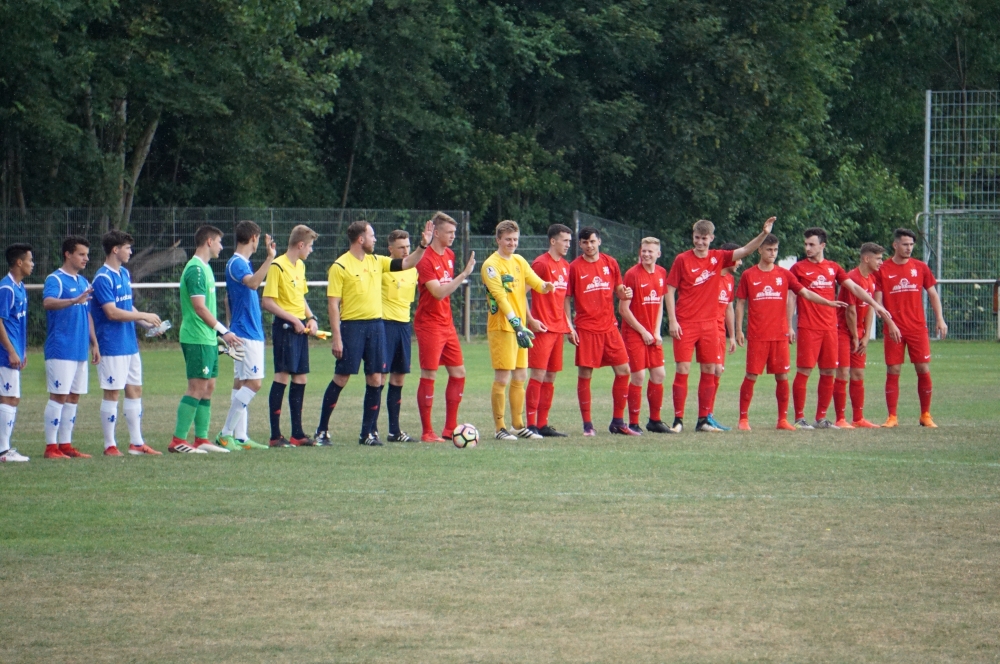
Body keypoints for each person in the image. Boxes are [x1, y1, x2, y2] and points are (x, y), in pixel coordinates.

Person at [314, 220, 430, 446]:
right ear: (360, 239)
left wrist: (423, 246)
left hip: (376, 326)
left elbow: (407, 263)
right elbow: (333, 304)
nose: (375, 239)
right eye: (372, 235)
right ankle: (321, 430)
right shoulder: (340, 266)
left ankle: (367, 433)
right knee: (342, 377)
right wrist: (336, 337)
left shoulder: (377, 261)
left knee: (376, 378)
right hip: (352, 327)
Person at [665, 217, 775, 433]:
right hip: (686, 323)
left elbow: (744, 251)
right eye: (697, 238)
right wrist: (673, 320)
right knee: (683, 369)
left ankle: (703, 419)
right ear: (693, 237)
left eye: (704, 238)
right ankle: (678, 420)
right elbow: (669, 289)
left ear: (711, 239)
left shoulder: (718, 258)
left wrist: (763, 234)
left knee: (709, 370)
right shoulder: (682, 259)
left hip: (709, 326)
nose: (700, 242)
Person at [734, 234, 846, 430]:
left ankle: (782, 420)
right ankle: (743, 419)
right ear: (759, 250)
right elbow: (740, 303)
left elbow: (804, 292)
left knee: (782, 377)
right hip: (758, 335)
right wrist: (738, 330)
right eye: (769, 250)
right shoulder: (748, 275)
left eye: (775, 250)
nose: (772, 254)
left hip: (779, 335)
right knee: (751, 375)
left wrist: (827, 302)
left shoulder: (784, 274)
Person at [789, 227, 890, 430]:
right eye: (806, 244)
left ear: (822, 246)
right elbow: (791, 297)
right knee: (804, 371)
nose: (807, 248)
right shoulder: (798, 269)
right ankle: (800, 418)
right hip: (808, 327)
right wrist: (788, 324)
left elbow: (854, 287)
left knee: (828, 372)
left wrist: (876, 304)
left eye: (811, 244)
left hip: (830, 328)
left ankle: (821, 418)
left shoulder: (833, 268)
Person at [169, 225, 242, 454]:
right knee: (197, 387)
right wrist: (224, 332)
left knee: (209, 387)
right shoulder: (196, 270)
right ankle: (178, 440)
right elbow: (199, 308)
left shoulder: (206, 269)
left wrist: (216, 338)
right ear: (209, 241)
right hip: (196, 337)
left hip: (207, 339)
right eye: (220, 242)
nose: (222, 246)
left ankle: (201, 438)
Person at [91, 230, 164, 456]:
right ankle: (109, 445)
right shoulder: (102, 278)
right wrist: (143, 314)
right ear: (115, 249)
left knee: (135, 390)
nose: (131, 251)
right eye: (127, 247)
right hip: (111, 345)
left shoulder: (123, 273)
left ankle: (136, 443)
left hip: (129, 344)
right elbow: (112, 313)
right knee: (112, 393)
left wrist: (145, 323)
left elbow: (126, 306)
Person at [481, 220, 553, 440]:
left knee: (521, 375)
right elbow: (501, 298)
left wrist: (546, 286)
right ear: (498, 240)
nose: (512, 243)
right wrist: (516, 324)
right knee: (503, 377)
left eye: (515, 239)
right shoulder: (491, 265)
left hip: (520, 328)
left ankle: (518, 425)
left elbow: (536, 282)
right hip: (502, 327)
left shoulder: (519, 261)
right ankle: (500, 429)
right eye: (508, 239)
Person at [873, 228, 947, 428]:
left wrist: (940, 319)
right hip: (893, 328)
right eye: (905, 244)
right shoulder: (883, 269)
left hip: (917, 328)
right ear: (895, 245)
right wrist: (889, 323)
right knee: (893, 369)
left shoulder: (920, 267)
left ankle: (925, 415)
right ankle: (892, 417)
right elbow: (877, 303)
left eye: (911, 245)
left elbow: (932, 294)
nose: (909, 248)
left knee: (923, 368)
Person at [564, 227, 634, 436]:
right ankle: (588, 425)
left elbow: (619, 290)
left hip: (610, 328)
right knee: (585, 374)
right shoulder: (574, 267)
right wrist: (569, 326)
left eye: (592, 242)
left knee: (624, 371)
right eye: (585, 243)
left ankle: (618, 422)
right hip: (586, 329)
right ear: (580, 245)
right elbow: (566, 299)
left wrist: (625, 293)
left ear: (599, 241)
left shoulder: (610, 263)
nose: (589, 246)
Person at [414, 212, 476, 443]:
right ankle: (427, 432)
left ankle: (451, 429)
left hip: (446, 324)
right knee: (429, 374)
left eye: (454, 232)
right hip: (429, 324)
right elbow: (438, 292)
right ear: (436, 233)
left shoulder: (449, 255)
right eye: (449, 232)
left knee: (459, 373)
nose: (453, 237)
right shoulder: (425, 258)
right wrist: (464, 275)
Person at [215, 220, 276, 451]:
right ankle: (225, 433)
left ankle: (240, 437)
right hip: (246, 333)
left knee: (241, 382)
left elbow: (228, 299)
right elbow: (252, 284)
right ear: (253, 238)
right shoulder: (238, 263)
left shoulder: (243, 264)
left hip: (246, 331)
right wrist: (270, 258)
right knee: (255, 383)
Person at [42, 236, 100, 459]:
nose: (86, 258)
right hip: (61, 348)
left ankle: (65, 445)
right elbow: (47, 302)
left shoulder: (84, 282)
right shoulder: (55, 279)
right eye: (81, 254)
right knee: (58, 396)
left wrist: (94, 343)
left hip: (79, 349)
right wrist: (72, 300)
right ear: (68, 254)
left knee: (74, 397)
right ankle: (51, 447)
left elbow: (88, 314)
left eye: (87, 254)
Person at [262, 224, 320, 447]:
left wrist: (311, 317)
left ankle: (297, 433)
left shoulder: (300, 267)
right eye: (310, 246)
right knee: (282, 377)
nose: (311, 251)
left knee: (301, 378)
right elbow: (267, 302)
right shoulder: (278, 266)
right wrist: (293, 319)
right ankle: (275, 436)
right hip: (286, 329)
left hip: (299, 330)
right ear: (301, 244)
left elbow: (300, 298)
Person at [526, 224, 573, 437]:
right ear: (553, 241)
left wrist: (569, 326)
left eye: (569, 241)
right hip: (542, 328)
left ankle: (543, 424)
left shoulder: (565, 266)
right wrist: (531, 319)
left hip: (558, 329)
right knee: (538, 374)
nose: (568, 245)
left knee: (551, 377)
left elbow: (563, 300)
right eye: (564, 240)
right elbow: (521, 292)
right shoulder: (541, 264)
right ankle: (530, 424)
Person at [618, 238, 669, 434]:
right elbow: (623, 309)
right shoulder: (632, 275)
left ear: (658, 254)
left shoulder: (662, 273)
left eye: (650, 251)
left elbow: (660, 303)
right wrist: (644, 332)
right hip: (634, 333)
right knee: (638, 376)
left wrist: (656, 331)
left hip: (651, 334)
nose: (646, 254)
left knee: (659, 374)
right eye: (644, 251)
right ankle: (633, 423)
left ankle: (655, 421)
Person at [832, 242, 884, 429]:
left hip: (858, 333)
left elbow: (869, 307)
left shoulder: (871, 278)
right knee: (843, 372)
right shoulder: (852, 278)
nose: (881, 262)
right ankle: (840, 418)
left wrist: (865, 335)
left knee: (858, 373)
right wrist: (855, 336)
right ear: (866, 258)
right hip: (843, 332)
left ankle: (858, 418)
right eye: (878, 258)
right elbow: (850, 311)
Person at [380, 229, 421, 442]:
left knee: (398, 378)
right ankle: (371, 429)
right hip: (384, 326)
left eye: (408, 246)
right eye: (401, 247)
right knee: (379, 377)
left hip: (404, 327)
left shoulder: (413, 270)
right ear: (391, 249)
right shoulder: (383, 268)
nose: (406, 251)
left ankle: (394, 431)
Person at [0, 244, 33, 462]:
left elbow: (18, 324)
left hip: (14, 353)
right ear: (19, 262)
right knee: (8, 397)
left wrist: (22, 350)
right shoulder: (7, 288)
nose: (33, 264)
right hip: (4, 355)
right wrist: (11, 351)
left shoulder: (20, 287)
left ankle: (5, 448)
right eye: (30, 260)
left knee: (13, 399)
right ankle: (3, 451)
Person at [706, 242, 742, 431]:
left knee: (718, 371)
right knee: (714, 370)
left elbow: (728, 307)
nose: (740, 262)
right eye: (738, 259)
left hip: (720, 331)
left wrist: (733, 336)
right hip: (707, 328)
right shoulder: (710, 276)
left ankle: (708, 414)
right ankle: (706, 415)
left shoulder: (729, 280)